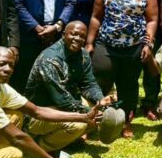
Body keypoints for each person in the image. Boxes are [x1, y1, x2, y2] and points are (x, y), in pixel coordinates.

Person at [86, 0, 158, 138]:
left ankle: (125, 122)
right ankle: (90, 121)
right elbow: (96, 17)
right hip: (107, 44)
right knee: (100, 80)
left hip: (133, 47)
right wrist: (89, 42)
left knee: (128, 85)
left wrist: (148, 44)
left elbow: (152, 20)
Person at [26, 21, 123, 150]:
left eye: (82, 36)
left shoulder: (83, 55)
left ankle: (66, 139)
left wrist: (100, 100)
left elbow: (88, 84)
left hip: (65, 103)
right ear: (64, 35)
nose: (78, 39)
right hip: (40, 113)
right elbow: (62, 100)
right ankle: (40, 146)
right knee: (80, 124)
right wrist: (89, 113)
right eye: (74, 34)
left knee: (97, 109)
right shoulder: (50, 60)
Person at [137, 0, 162, 121]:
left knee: (152, 67)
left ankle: (150, 103)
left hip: (153, 28)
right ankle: (130, 103)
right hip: (131, 28)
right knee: (132, 68)